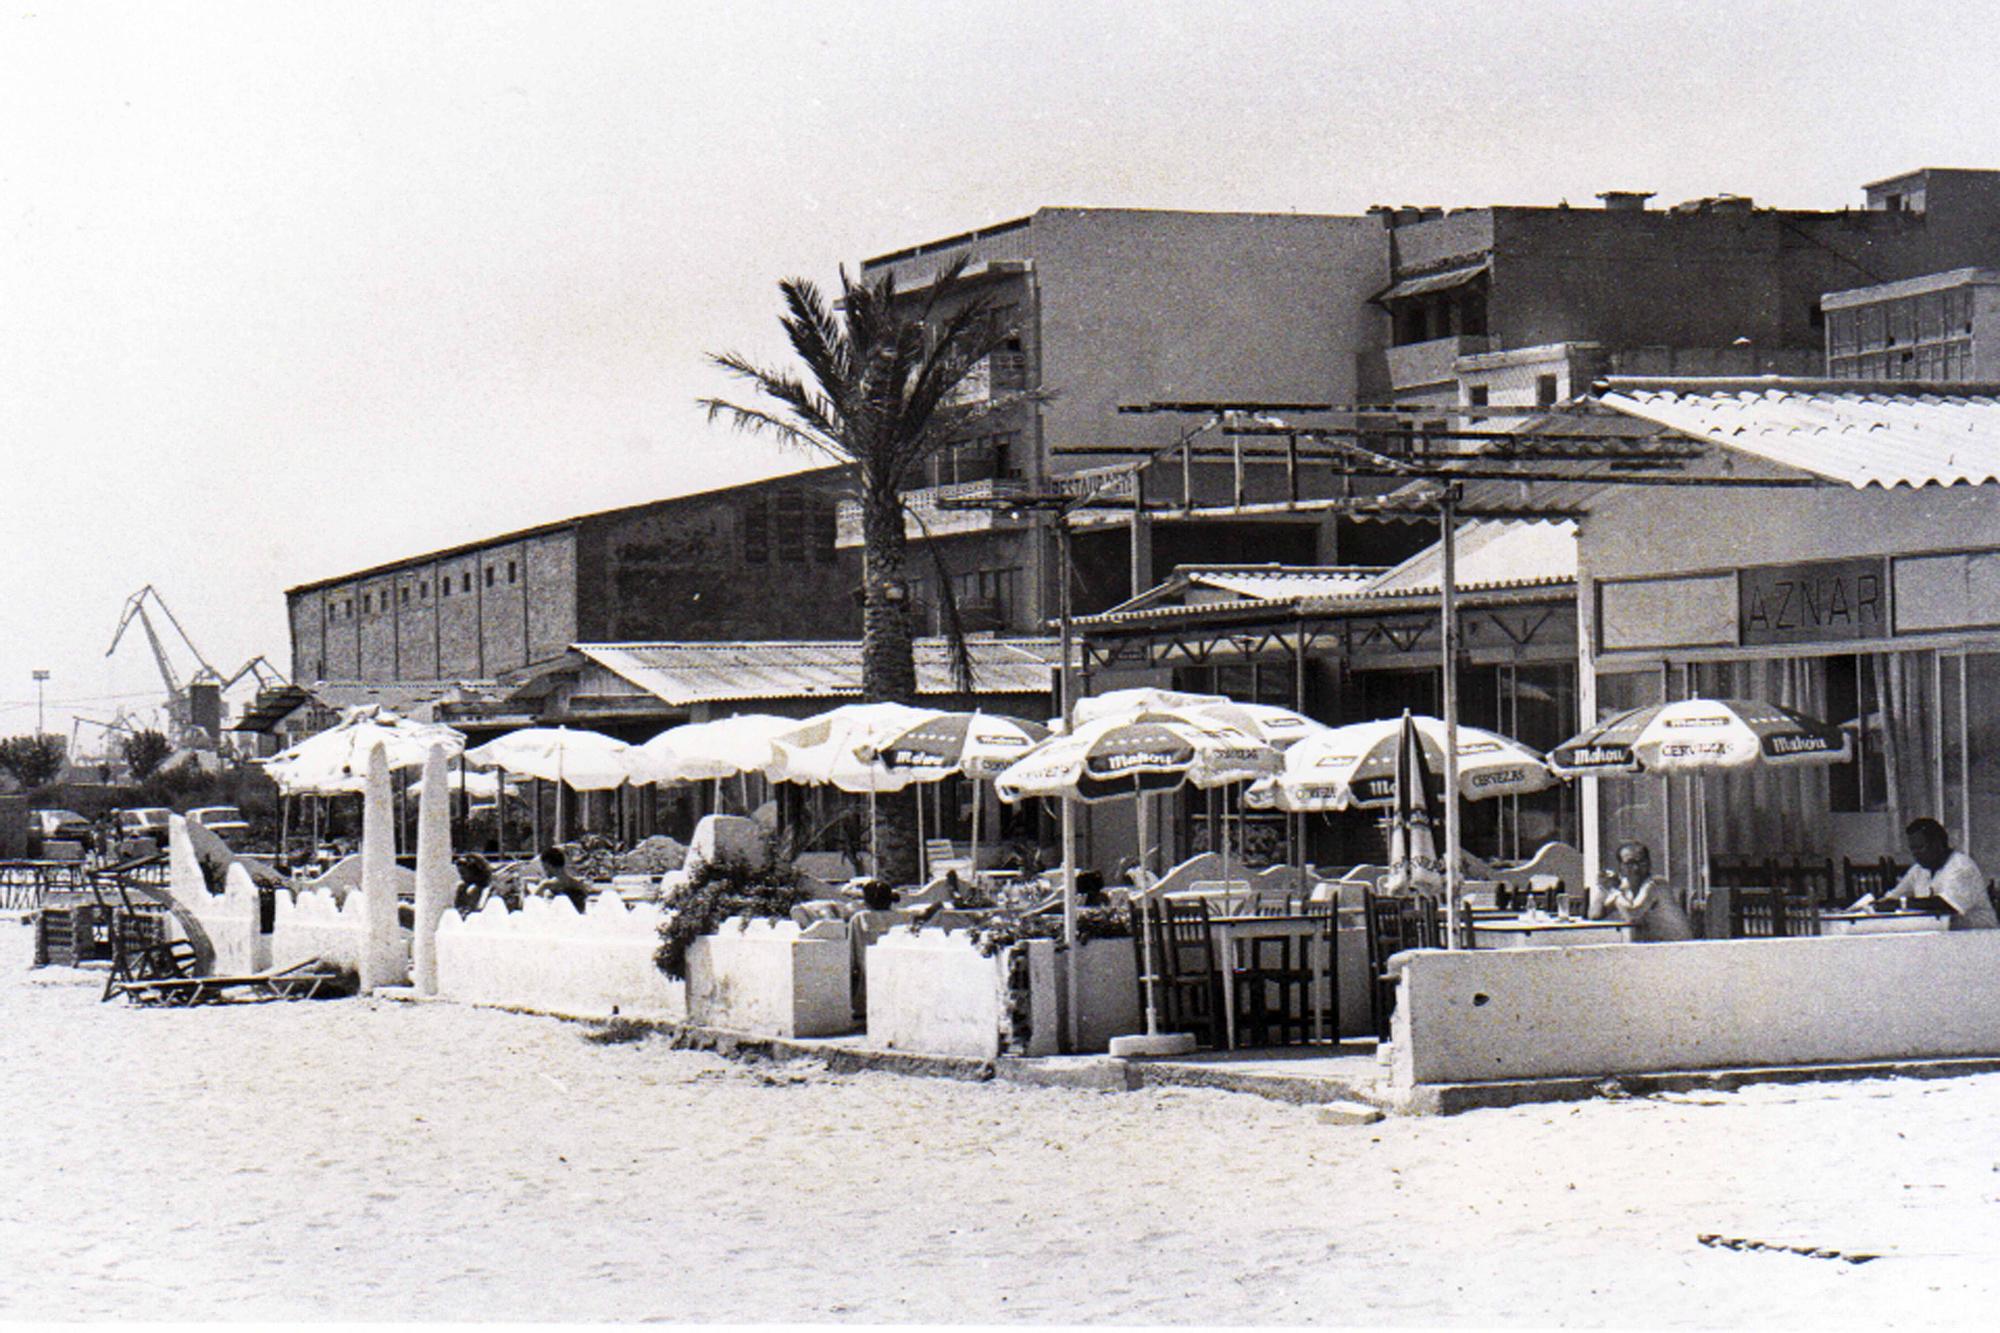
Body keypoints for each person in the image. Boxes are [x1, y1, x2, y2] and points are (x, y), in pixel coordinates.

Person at [1865, 818, 1998, 930]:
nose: (1915, 854)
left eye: (1920, 847)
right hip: (1942, 935)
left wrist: (1902, 904)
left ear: (1938, 844)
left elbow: (1946, 905)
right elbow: (1894, 897)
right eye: (1913, 849)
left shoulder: (1961, 867)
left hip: (1978, 939)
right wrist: (1875, 904)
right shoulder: (1919, 870)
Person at [1587, 840, 1694, 942]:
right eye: (1630, 863)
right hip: (1656, 949)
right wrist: (1604, 889)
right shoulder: (1624, 888)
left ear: (1649, 863)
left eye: (1641, 862)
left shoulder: (1657, 884)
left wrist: (1612, 890)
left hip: (1678, 948)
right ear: (1621, 868)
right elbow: (1595, 915)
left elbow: (1633, 915)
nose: (1636, 868)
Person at [536, 846, 590, 912]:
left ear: (548, 865)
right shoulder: (578, 884)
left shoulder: (546, 885)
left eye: (544, 867)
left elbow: (533, 906)